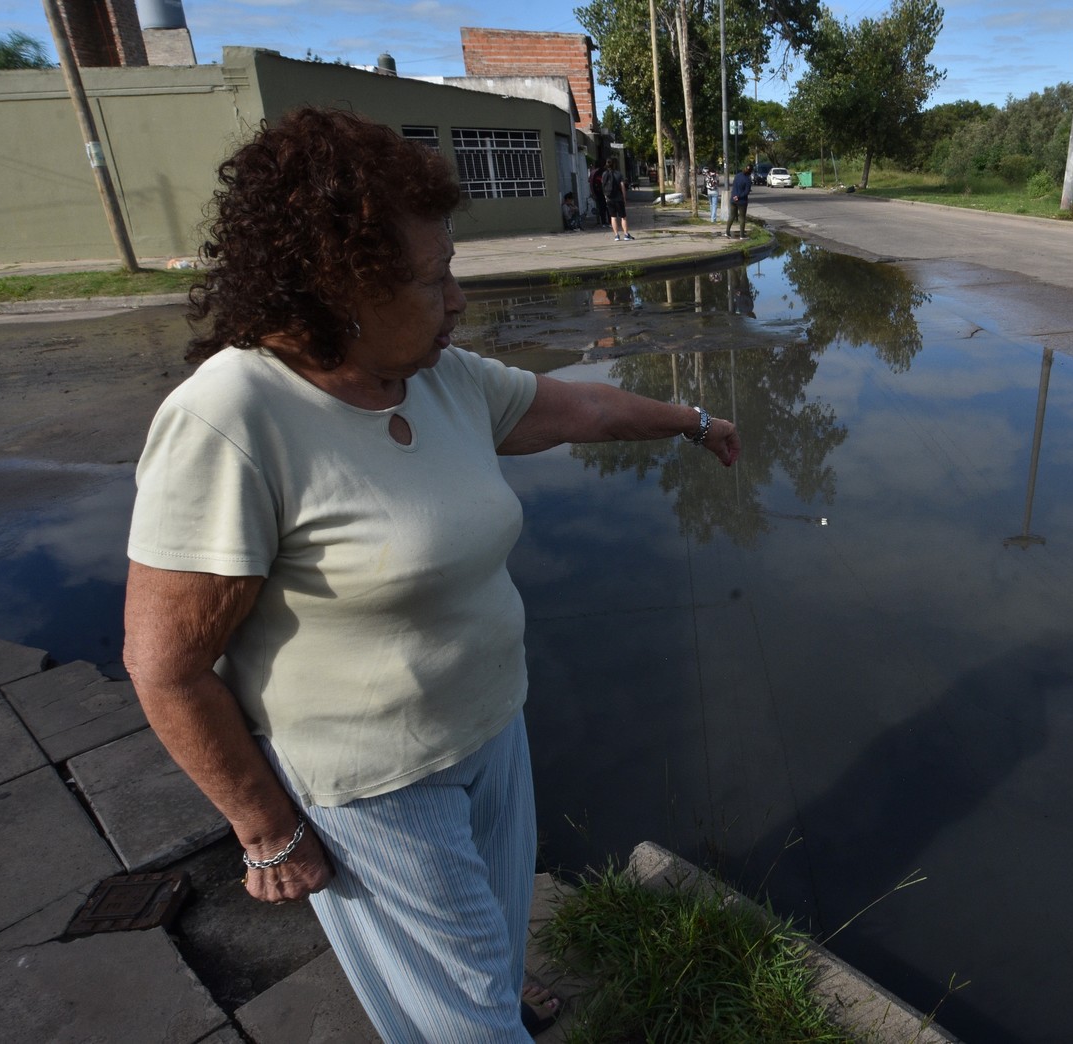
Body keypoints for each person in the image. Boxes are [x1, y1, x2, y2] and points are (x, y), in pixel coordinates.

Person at [121, 107, 740, 1044]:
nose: (457, 300)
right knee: (466, 1020)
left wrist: (690, 420)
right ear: (339, 287)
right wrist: (265, 829)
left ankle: (487, 1002)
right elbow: (164, 666)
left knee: (477, 959)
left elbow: (583, 408)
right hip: (373, 786)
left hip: (490, 731)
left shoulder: (437, 378)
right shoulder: (231, 417)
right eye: (432, 279)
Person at [604, 158, 632, 241]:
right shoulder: (618, 174)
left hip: (609, 198)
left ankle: (616, 235)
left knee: (613, 217)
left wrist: (606, 196)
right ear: (615, 164)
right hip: (618, 198)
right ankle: (626, 234)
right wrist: (624, 197)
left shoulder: (604, 174)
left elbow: (603, 186)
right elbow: (622, 186)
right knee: (623, 217)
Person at [725, 163, 753, 239]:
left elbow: (734, 186)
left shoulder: (737, 176)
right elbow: (746, 192)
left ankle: (727, 232)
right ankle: (742, 235)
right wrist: (739, 196)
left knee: (731, 216)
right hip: (742, 201)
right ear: (751, 172)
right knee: (742, 217)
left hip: (733, 199)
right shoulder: (748, 180)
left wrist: (735, 196)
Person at [588, 159, 608, 227]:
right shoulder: (605, 171)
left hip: (597, 192)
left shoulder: (593, 172)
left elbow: (590, 183)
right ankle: (610, 221)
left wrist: (593, 193)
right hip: (606, 192)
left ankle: (603, 222)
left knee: (601, 207)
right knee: (607, 207)